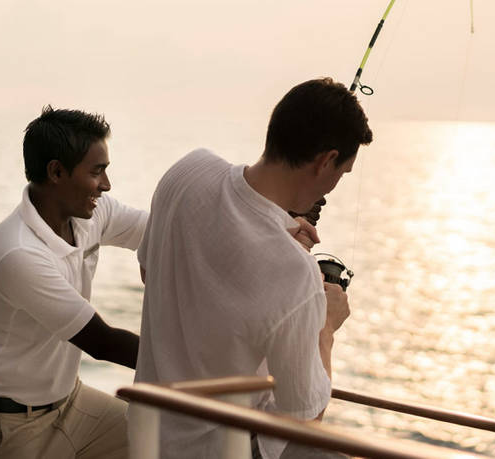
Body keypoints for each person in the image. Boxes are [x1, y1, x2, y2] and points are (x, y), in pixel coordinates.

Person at [133, 77, 373, 459]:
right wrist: (325, 327)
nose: (334, 186)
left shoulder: (188, 170)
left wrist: (278, 235)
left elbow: (152, 271)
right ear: (326, 161)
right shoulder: (295, 272)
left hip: (148, 434)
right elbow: (305, 421)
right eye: (342, 173)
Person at [0, 106, 148, 458]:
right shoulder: (19, 252)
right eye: (97, 172)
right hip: (10, 422)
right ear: (57, 172)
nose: (106, 184)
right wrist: (190, 363)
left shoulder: (92, 213)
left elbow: (159, 230)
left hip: (68, 402)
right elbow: (101, 342)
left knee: (160, 441)